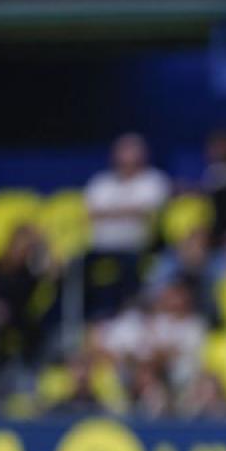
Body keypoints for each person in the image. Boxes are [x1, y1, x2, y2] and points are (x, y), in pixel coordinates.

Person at [84, 133, 170, 317]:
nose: (127, 157)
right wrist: (129, 211)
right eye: (123, 151)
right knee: (75, 267)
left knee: (129, 271)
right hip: (99, 247)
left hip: (137, 247)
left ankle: (124, 314)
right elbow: (90, 214)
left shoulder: (154, 181)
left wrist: (108, 213)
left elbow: (147, 212)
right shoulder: (100, 182)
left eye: (132, 151)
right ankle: (85, 317)